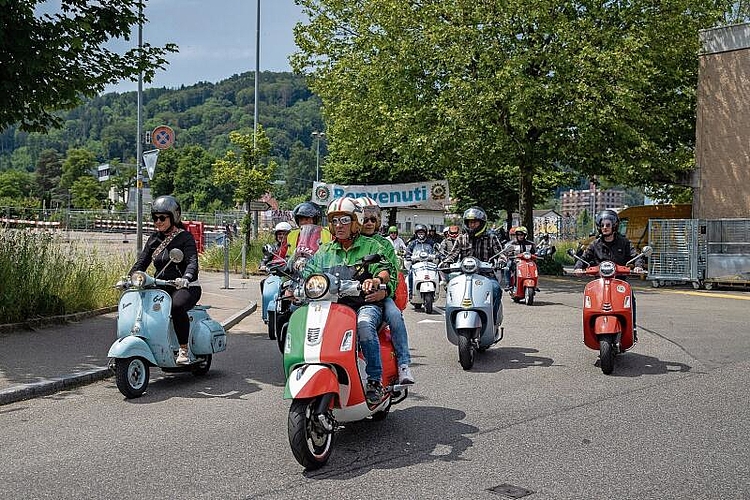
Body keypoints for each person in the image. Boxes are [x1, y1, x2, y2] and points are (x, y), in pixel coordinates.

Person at [304, 197, 395, 405]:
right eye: (334, 221)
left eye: (344, 220)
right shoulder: (324, 251)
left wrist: (376, 280)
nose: (339, 226)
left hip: (365, 303)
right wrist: (294, 282)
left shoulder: (370, 245)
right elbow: (309, 271)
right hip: (333, 306)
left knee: (364, 325)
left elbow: (384, 269)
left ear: (355, 222)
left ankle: (374, 381)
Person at [128, 195, 201, 364]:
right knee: (140, 303)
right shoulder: (154, 239)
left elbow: (192, 262)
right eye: (155, 218)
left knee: (175, 306)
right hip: (161, 286)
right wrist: (130, 277)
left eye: (162, 217)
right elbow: (142, 262)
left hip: (185, 287)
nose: (158, 221)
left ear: (174, 216)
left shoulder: (185, 238)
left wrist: (186, 277)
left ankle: (183, 349)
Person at [356, 197, 414, 384]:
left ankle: (404, 364)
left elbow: (393, 274)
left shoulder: (385, 244)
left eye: (373, 219)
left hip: (379, 295)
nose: (369, 223)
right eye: (365, 219)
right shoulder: (347, 240)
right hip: (348, 295)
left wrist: (383, 291)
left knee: (395, 316)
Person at [574, 209, 644, 340]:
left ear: (614, 226)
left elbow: (635, 255)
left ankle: (632, 328)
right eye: (602, 225)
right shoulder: (595, 244)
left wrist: (638, 266)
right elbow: (584, 258)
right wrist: (578, 267)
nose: (605, 228)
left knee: (631, 298)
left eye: (607, 225)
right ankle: (589, 329)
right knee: (590, 302)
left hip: (619, 281)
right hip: (599, 283)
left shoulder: (624, 242)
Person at [440, 206, 504, 321]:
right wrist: (444, 263)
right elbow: (452, 254)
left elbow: (501, 254)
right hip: (464, 275)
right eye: (469, 222)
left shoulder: (491, 238)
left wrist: (501, 262)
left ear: (482, 223)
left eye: (475, 222)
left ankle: (492, 319)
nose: (472, 225)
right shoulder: (461, 238)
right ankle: (453, 318)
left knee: (496, 289)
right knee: (451, 289)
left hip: (486, 276)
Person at [500, 226, 536, 290]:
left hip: (527, 261)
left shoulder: (530, 244)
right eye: (518, 234)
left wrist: (537, 254)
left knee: (534, 268)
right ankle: (508, 284)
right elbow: (504, 252)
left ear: (525, 235)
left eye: (522, 234)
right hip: (514, 260)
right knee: (507, 268)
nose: (520, 236)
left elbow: (534, 252)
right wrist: (507, 255)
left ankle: (535, 285)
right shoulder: (511, 244)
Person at [405, 223, 435, 298]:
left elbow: (435, 249)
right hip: (416, 263)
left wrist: (437, 254)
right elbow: (408, 251)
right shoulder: (413, 243)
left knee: (436, 271)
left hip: (428, 263)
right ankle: (411, 292)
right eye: (419, 233)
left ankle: (435, 289)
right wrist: (408, 255)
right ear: (416, 234)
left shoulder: (430, 242)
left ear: (425, 234)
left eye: (422, 233)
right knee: (411, 273)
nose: (421, 235)